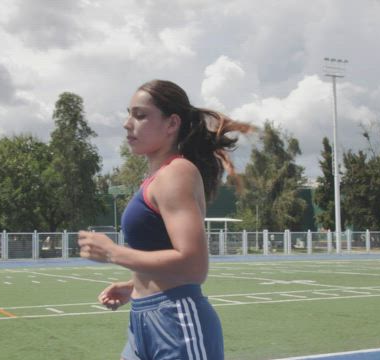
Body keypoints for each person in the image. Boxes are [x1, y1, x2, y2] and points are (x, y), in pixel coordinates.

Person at [78, 79, 254, 360]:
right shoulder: (155, 179)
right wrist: (133, 286)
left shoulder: (177, 172)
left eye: (140, 115)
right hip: (142, 319)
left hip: (178, 322)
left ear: (172, 124)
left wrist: (113, 252)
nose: (127, 123)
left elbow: (194, 266)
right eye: (129, 114)